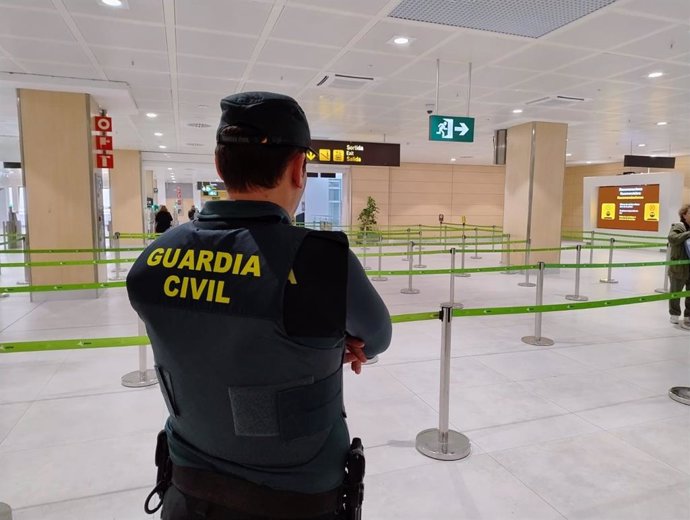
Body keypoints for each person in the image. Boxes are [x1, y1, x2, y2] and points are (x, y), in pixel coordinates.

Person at [127, 91, 392, 519]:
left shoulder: (152, 260)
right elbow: (377, 337)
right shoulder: (319, 259)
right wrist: (325, 338)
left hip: (190, 487)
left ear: (219, 165)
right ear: (297, 169)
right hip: (298, 493)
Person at [668, 203, 690, 330]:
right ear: (684, 215)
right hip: (678, 268)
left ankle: (688, 316)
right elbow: (672, 238)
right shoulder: (678, 226)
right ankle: (675, 314)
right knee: (675, 292)